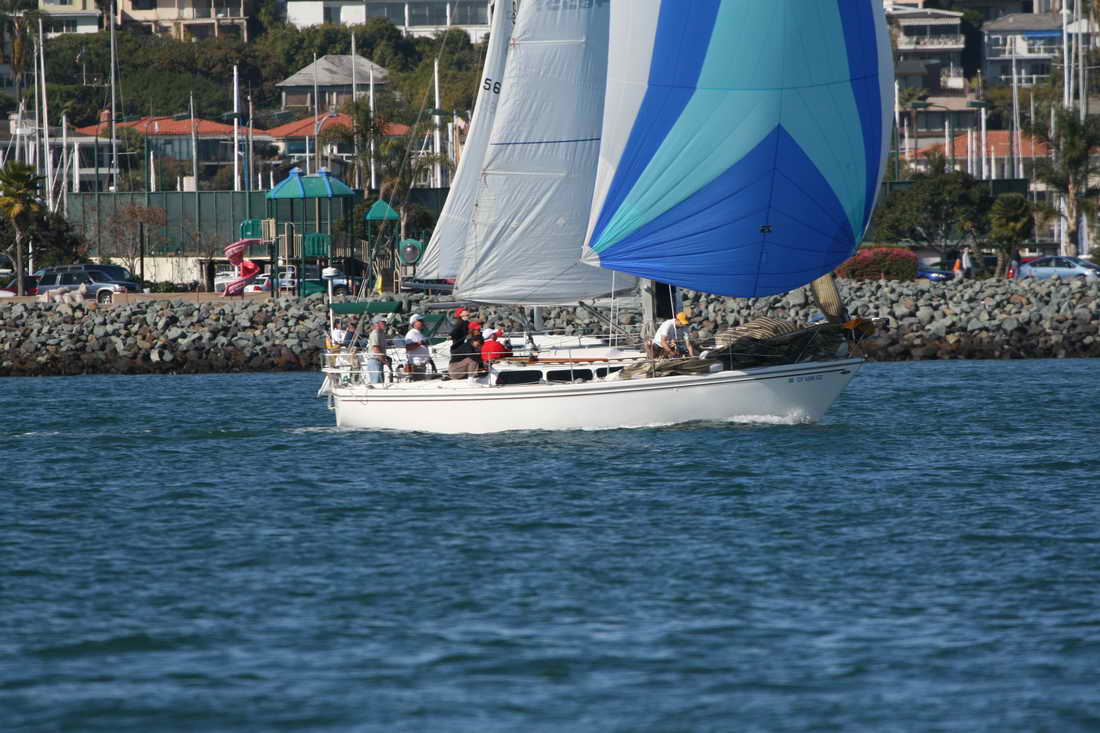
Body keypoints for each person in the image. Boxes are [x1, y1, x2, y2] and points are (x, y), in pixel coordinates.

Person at [404, 314, 432, 380]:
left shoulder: (418, 333)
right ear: (414, 323)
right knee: (418, 382)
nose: (423, 322)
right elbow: (408, 347)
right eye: (420, 321)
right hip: (415, 365)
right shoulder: (411, 333)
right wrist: (419, 343)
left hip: (421, 364)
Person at [366, 316, 390, 385]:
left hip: (378, 361)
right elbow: (376, 349)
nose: (385, 323)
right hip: (375, 361)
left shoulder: (381, 333)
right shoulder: (375, 334)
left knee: (380, 383)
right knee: (377, 384)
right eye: (383, 322)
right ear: (377, 324)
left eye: (385, 322)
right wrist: (384, 361)